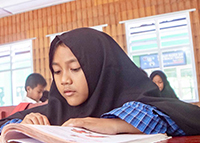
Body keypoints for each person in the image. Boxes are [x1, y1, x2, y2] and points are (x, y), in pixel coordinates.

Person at [0, 28, 200, 136]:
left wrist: (114, 124)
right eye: (57, 71)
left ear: (101, 67)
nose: (64, 80)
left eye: (75, 68)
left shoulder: (135, 104)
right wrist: (23, 126)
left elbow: (183, 118)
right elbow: (5, 125)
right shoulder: (54, 110)